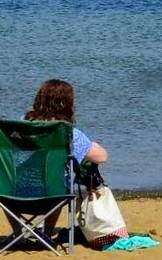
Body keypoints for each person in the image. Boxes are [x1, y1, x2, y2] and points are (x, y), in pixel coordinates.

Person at [22, 79, 108, 236]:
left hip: (12, 194)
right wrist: (89, 144)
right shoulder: (67, 133)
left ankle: (17, 234)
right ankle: (47, 234)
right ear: (67, 104)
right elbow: (101, 157)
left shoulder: (20, 126)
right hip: (53, 197)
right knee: (58, 180)